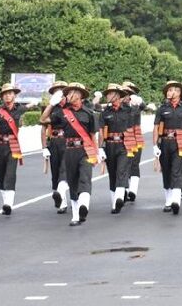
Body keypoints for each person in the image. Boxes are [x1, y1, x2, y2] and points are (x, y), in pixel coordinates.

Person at [41, 82, 98, 226]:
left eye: (73, 92)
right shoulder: (62, 112)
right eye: (69, 92)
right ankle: (76, 216)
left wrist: (96, 153)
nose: (70, 95)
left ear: (80, 95)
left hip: (85, 150)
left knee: (84, 178)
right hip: (69, 150)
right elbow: (42, 120)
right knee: (72, 181)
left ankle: (84, 206)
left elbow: (92, 136)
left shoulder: (89, 113)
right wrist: (51, 104)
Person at [0, 83, 30, 215]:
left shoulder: (19, 109)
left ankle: (9, 203)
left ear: (14, 96)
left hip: (13, 146)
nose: (7, 96)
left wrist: (36, 103)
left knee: (11, 173)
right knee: (1, 173)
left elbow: (28, 107)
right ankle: (5, 202)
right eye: (5, 94)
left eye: (10, 93)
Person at [152, 80, 182, 215]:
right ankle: (168, 200)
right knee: (167, 171)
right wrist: (154, 145)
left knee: (177, 169)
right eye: (168, 90)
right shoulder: (162, 109)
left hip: (180, 141)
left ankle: (175, 200)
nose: (170, 92)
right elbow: (156, 127)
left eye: (173, 90)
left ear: (179, 92)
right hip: (165, 141)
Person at [98, 83, 136, 214]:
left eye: (110, 93)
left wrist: (138, 103)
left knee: (122, 170)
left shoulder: (128, 110)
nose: (107, 95)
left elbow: (139, 111)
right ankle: (114, 202)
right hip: (109, 145)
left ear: (117, 95)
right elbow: (102, 131)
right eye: (107, 93)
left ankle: (119, 198)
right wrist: (101, 148)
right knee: (113, 174)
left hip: (124, 144)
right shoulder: (105, 113)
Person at [43, 80, 70, 214]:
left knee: (64, 170)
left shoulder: (71, 107)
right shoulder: (51, 108)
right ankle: (61, 202)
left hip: (68, 141)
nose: (59, 93)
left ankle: (61, 195)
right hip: (54, 141)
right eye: (56, 91)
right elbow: (42, 124)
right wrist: (44, 147)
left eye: (61, 90)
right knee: (55, 172)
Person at [121, 81, 145, 203]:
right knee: (123, 165)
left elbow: (143, 106)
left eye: (129, 92)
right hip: (122, 138)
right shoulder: (119, 107)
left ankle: (133, 190)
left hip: (135, 138)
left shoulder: (136, 103)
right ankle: (123, 190)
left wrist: (139, 102)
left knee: (134, 164)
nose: (126, 95)